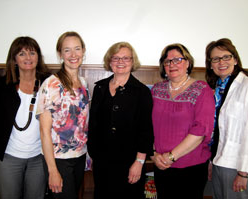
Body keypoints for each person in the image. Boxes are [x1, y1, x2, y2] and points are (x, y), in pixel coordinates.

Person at [87, 42, 154, 199]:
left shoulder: (142, 92)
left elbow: (146, 130)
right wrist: (93, 154)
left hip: (130, 162)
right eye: (116, 58)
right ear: (109, 62)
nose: (120, 62)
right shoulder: (100, 88)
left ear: (132, 61)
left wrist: (139, 162)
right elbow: (94, 123)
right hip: (102, 162)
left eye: (125, 58)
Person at [151, 43, 215, 199]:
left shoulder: (202, 89)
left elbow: (201, 130)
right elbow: (146, 125)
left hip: (191, 167)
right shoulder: (156, 89)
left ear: (187, 62)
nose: (172, 64)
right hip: (161, 165)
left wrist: (171, 157)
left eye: (178, 59)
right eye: (167, 61)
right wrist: (153, 154)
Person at [0, 36, 49, 199]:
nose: (28, 58)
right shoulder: (3, 85)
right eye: (22, 54)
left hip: (38, 158)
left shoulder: (48, 83)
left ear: (38, 56)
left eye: (32, 52)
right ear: (14, 59)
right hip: (9, 158)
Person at [36, 31, 89, 199]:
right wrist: (52, 171)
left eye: (77, 49)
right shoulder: (51, 84)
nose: (73, 55)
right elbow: (44, 132)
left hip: (80, 156)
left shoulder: (83, 83)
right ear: (60, 54)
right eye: (67, 50)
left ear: (83, 51)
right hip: (59, 160)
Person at [205, 38, 248, 199]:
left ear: (235, 59)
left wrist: (244, 172)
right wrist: (211, 161)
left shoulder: (246, 86)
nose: (221, 62)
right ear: (210, 64)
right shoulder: (216, 89)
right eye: (215, 59)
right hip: (218, 161)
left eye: (226, 57)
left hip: (237, 165)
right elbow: (216, 130)